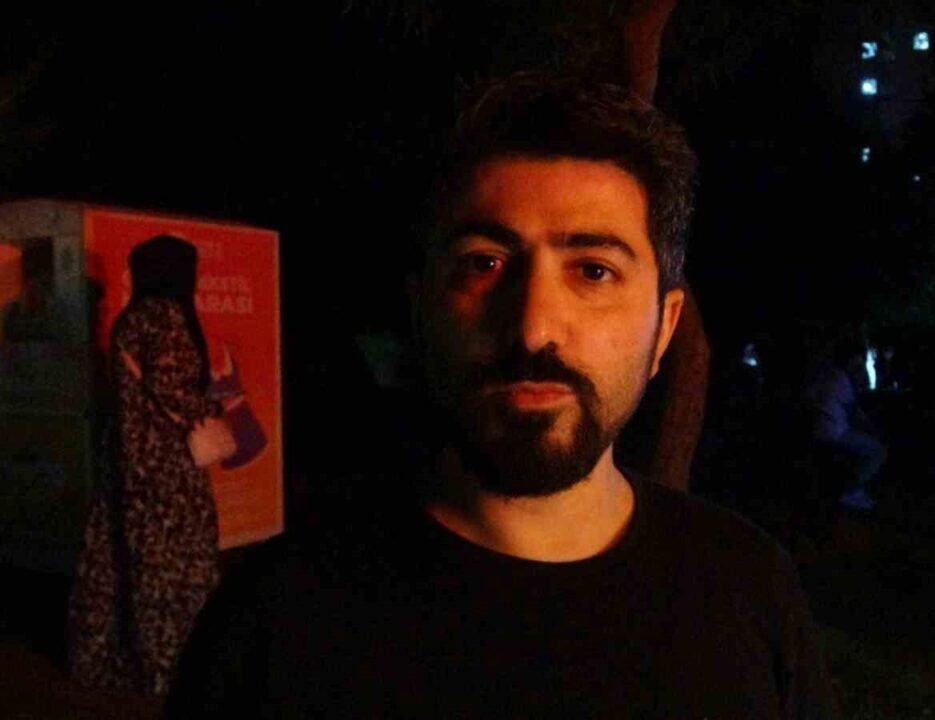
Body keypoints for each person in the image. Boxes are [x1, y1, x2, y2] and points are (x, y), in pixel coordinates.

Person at [165, 75, 838, 717]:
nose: (534, 327)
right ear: (421, 310)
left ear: (663, 330)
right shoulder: (274, 620)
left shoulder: (750, 590)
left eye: (593, 271)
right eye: (484, 264)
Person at [68, 235, 226, 695]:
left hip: (128, 463)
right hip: (166, 471)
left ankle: (113, 658)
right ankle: (168, 667)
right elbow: (174, 389)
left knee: (125, 564)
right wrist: (214, 411)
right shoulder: (165, 316)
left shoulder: (130, 318)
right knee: (173, 570)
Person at [800, 330, 887, 525]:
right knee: (878, 451)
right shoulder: (841, 379)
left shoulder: (824, 375)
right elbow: (854, 412)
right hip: (835, 434)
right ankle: (851, 492)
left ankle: (846, 488)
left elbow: (809, 398)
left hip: (817, 431)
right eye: (857, 361)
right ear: (850, 360)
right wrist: (872, 429)